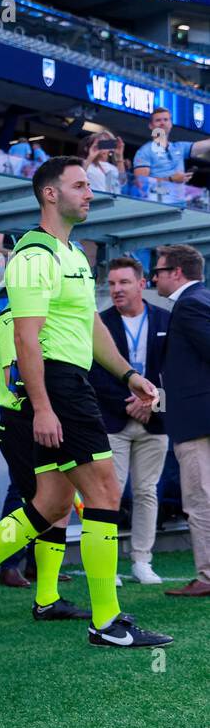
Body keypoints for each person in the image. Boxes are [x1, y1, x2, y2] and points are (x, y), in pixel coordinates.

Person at [0, 156, 172, 648]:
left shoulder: (75, 255)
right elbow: (26, 338)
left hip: (71, 382)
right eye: (80, 185)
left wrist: (129, 375)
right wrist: (42, 405)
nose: (90, 193)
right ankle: (106, 621)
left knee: (52, 501)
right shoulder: (35, 254)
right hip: (58, 386)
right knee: (105, 494)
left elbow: (90, 327)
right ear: (50, 194)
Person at [0, 289, 87, 616]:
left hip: (40, 420)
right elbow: (10, 377)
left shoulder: (37, 319)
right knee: (38, 507)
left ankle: (47, 595)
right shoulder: (10, 320)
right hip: (21, 424)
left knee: (55, 508)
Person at [90, 257, 170, 585]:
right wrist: (129, 405)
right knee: (109, 493)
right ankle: (107, 564)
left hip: (155, 421)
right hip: (113, 419)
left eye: (123, 282)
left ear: (142, 284)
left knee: (147, 491)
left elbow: (178, 372)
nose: (116, 290)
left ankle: (142, 561)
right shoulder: (100, 322)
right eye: (111, 284)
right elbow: (94, 373)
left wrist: (154, 402)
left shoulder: (167, 319)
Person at [150, 243, 210, 597]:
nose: (154, 277)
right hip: (197, 419)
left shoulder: (189, 304)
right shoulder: (199, 300)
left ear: (176, 272)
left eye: (158, 270)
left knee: (200, 501)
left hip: (197, 423)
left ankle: (207, 576)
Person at [133, 107, 210, 192]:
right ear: (151, 126)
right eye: (158, 120)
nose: (162, 123)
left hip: (179, 204)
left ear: (171, 124)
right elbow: (141, 183)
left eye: (166, 120)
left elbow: (206, 144)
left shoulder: (180, 147)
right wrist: (170, 179)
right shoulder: (144, 151)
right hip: (156, 203)